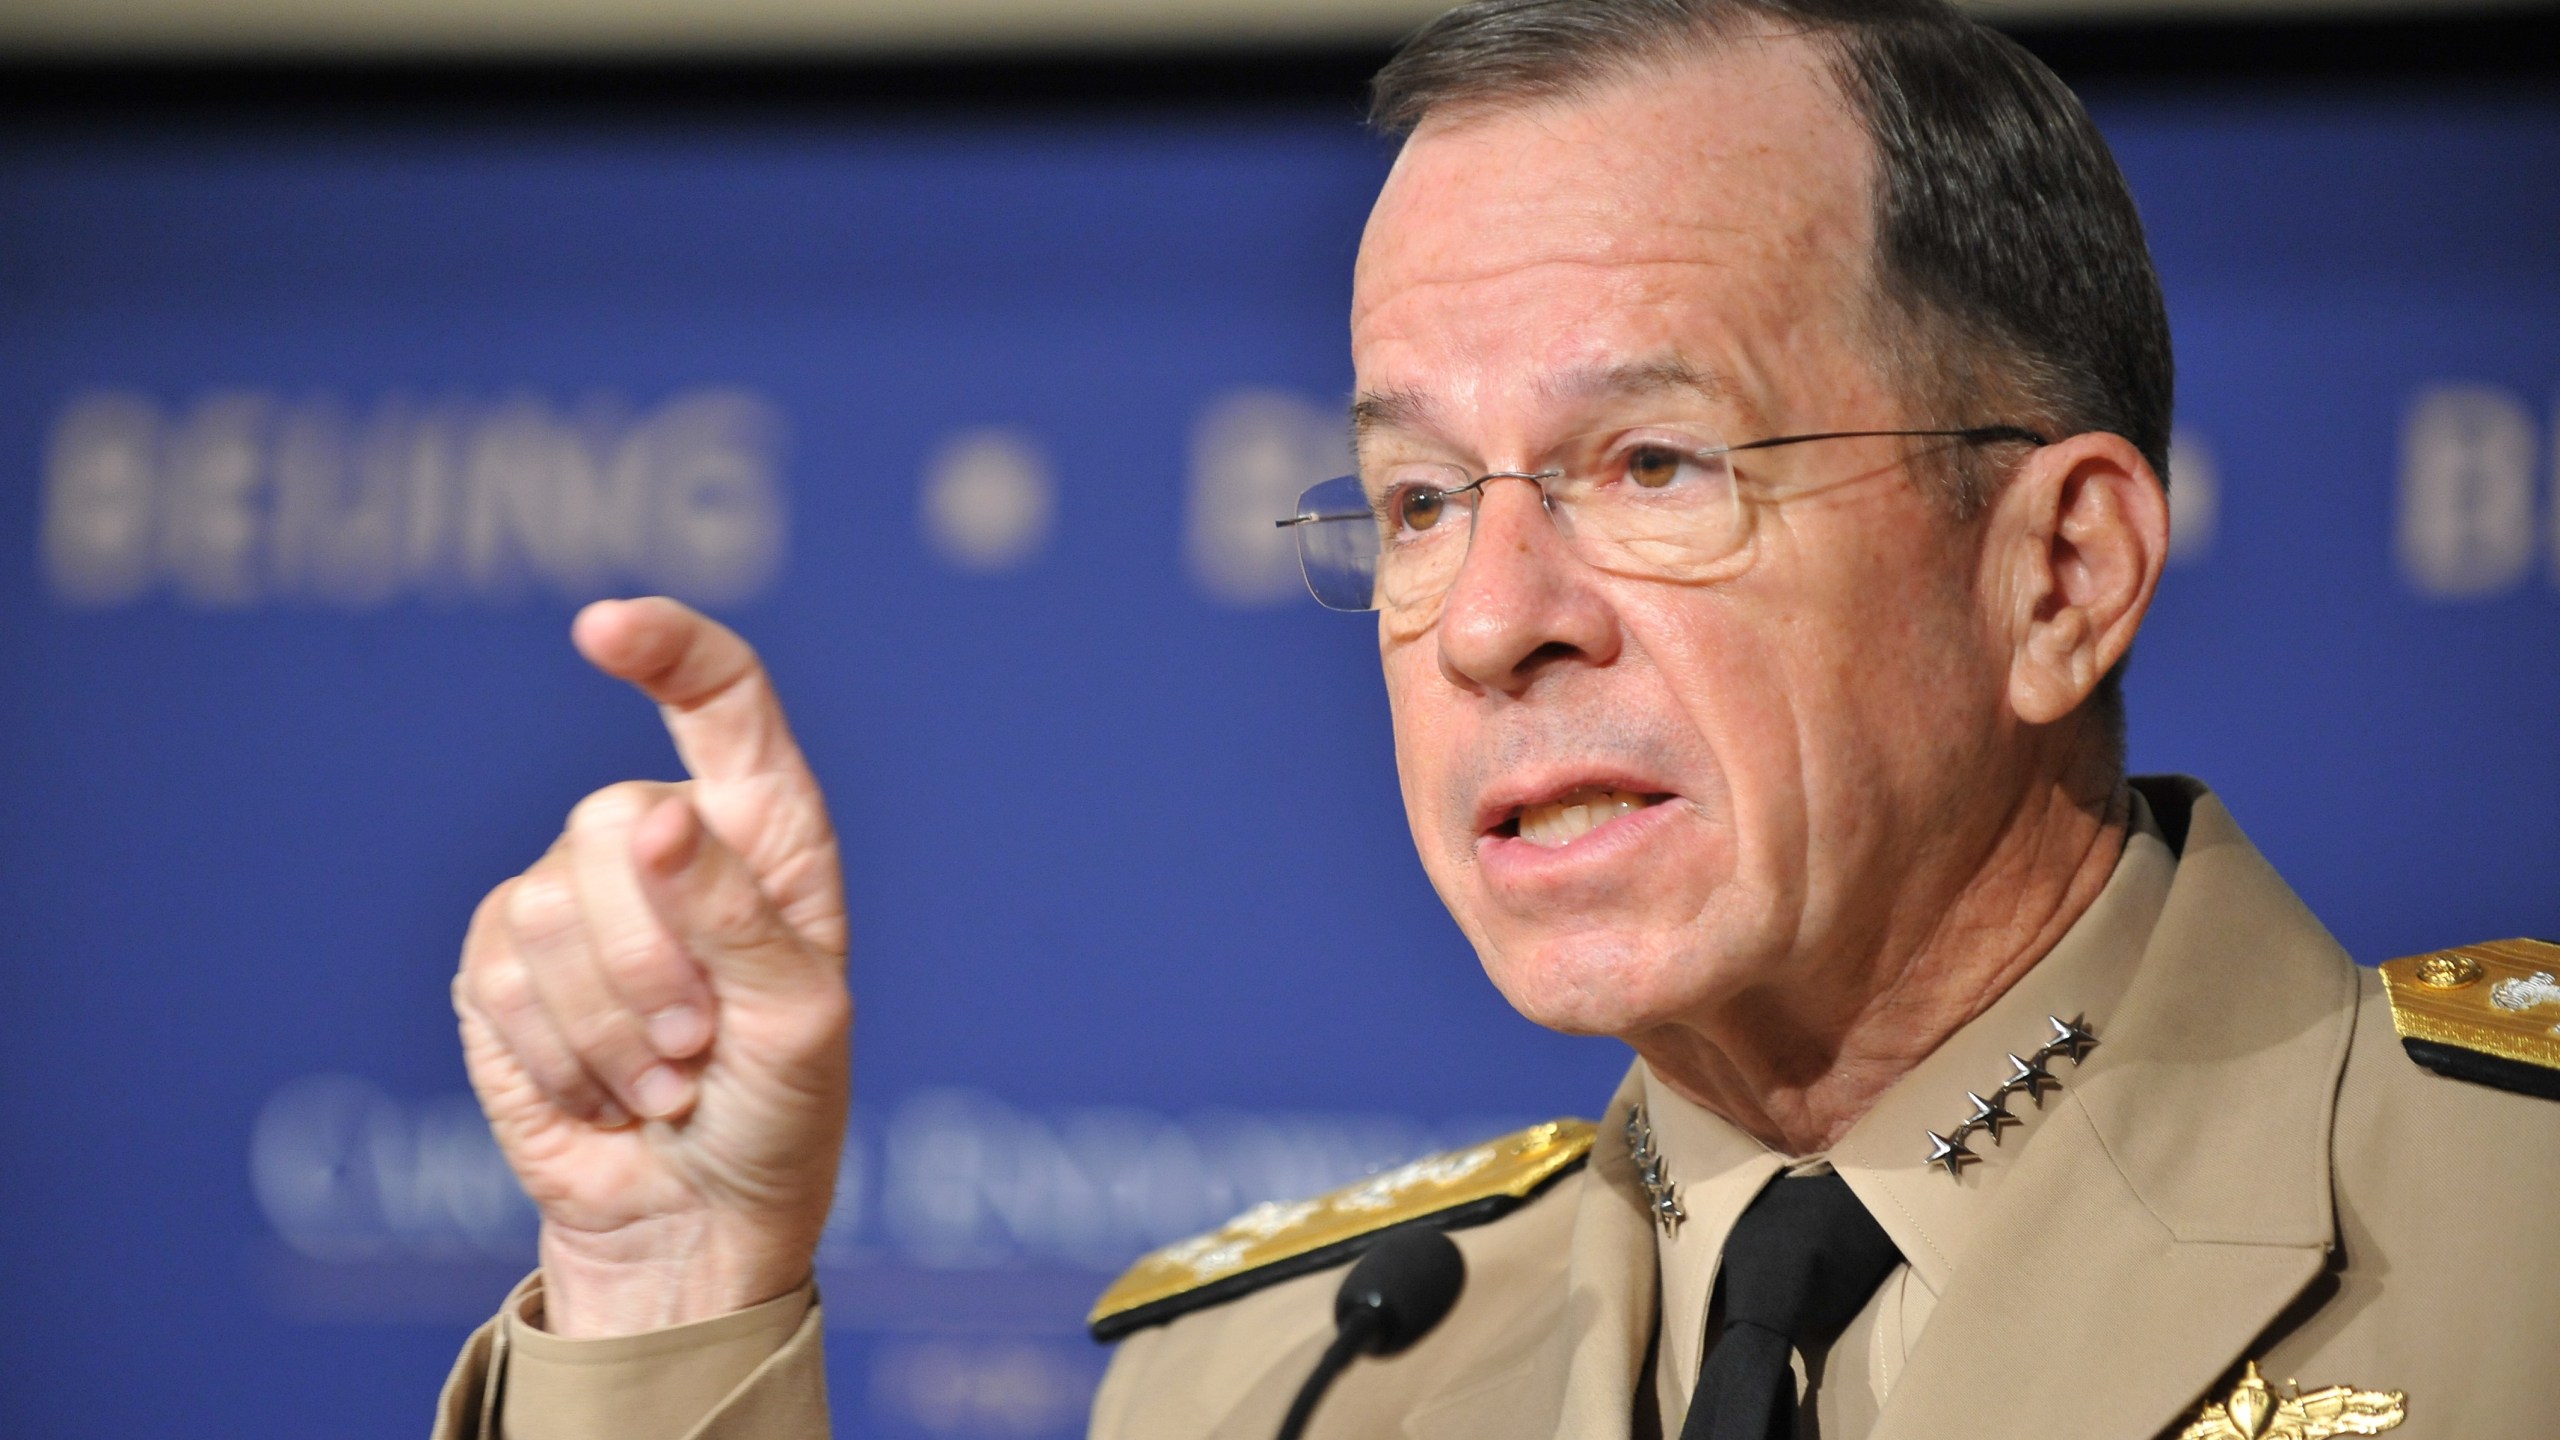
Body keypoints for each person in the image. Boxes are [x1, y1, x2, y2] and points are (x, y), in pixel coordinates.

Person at [433, 2, 2560, 1437]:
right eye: (1421, 500)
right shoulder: (1272, 1391)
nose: (1485, 628)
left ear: (2055, 573)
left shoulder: (2509, 1238)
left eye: (1652, 466)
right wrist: (671, 1274)